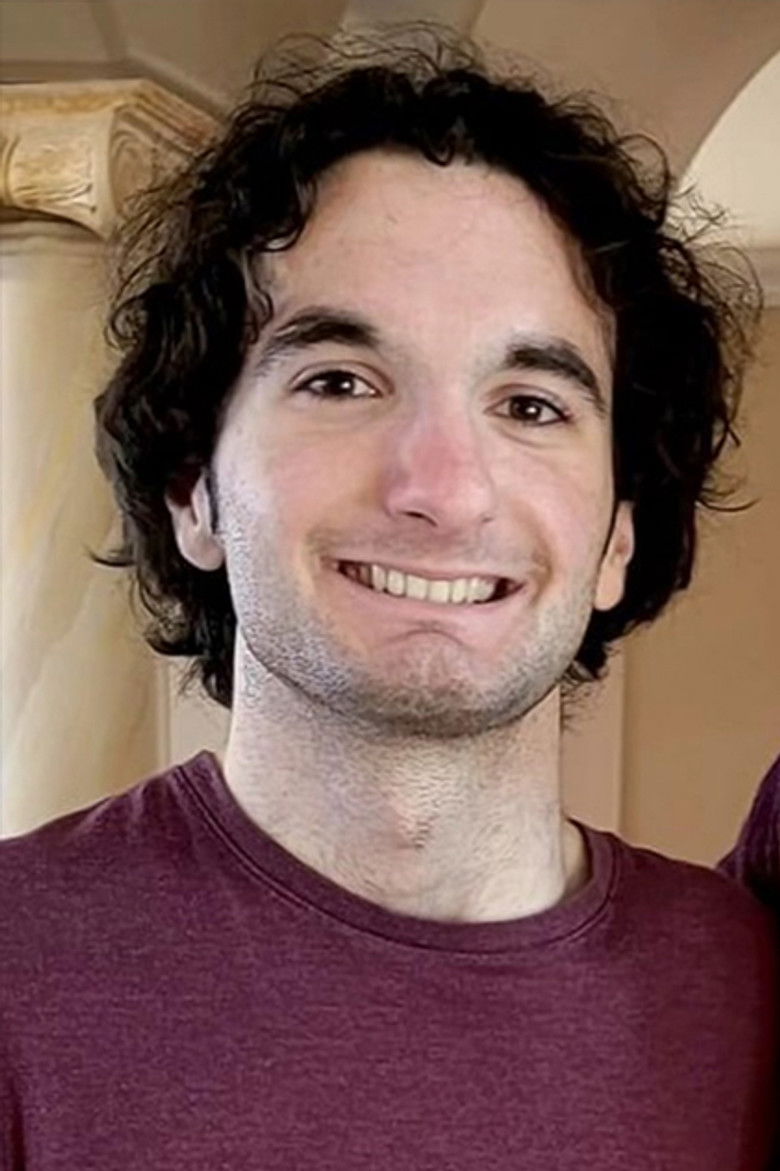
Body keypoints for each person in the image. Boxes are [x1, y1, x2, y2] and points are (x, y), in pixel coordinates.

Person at [1, 31, 776, 1170]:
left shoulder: (753, 991)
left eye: (531, 405)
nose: (443, 487)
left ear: (619, 535)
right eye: (341, 381)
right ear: (193, 493)